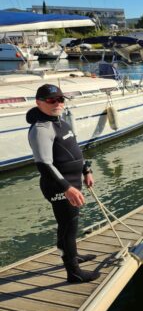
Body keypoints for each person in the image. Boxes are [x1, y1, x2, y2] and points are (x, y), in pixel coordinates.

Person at [27, 84, 100, 283]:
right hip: (59, 186)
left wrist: (86, 169)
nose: (57, 103)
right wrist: (67, 188)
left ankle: (72, 255)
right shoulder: (41, 129)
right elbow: (44, 164)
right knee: (69, 226)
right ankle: (73, 272)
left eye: (60, 99)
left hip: (73, 182)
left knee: (68, 224)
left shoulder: (60, 122)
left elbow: (73, 149)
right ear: (39, 102)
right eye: (51, 100)